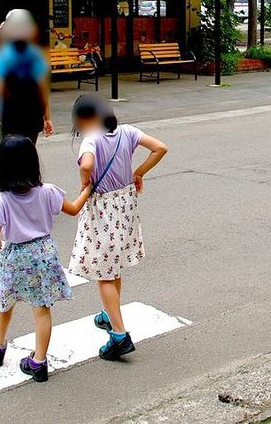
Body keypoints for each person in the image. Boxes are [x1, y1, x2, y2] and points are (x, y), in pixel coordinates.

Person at [0, 135, 92, 382]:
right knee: (41, 309)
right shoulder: (48, 192)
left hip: (16, 256)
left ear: (3, 167)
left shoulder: (3, 200)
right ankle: (39, 362)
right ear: (34, 163)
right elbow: (74, 209)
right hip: (43, 254)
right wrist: (87, 190)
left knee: (6, 303)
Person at [68, 95, 168, 360]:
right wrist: (139, 173)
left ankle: (120, 335)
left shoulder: (91, 139)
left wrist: (83, 181)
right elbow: (160, 148)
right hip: (125, 206)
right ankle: (108, 314)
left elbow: (87, 164)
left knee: (103, 274)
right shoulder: (128, 131)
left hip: (102, 209)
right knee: (114, 267)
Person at [0, 9, 52, 143]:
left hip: (9, 115)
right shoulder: (37, 54)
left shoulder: (2, 54)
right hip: (33, 115)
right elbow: (43, 90)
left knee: (9, 156)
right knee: (28, 155)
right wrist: (47, 118)